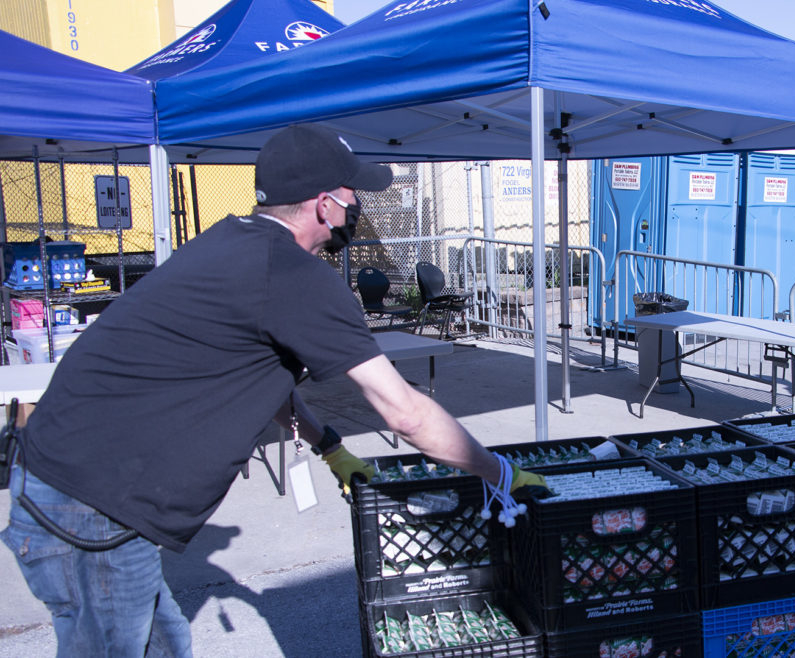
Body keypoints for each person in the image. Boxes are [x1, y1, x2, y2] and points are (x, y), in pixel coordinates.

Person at [1, 124, 547, 657]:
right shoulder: (292, 274)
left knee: (166, 643)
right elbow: (405, 413)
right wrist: (499, 474)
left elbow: (263, 375)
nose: (358, 206)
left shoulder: (229, 240)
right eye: (353, 194)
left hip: (70, 485)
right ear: (325, 205)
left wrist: (329, 447)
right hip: (91, 502)